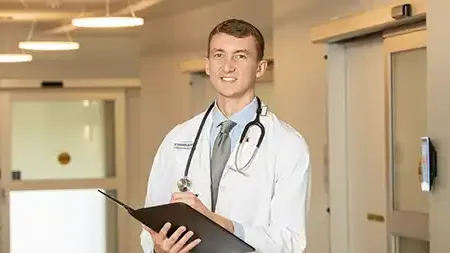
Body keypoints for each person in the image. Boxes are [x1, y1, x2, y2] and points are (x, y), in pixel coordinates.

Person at [140, 18, 310, 253]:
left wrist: (224, 226)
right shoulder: (178, 138)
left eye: (240, 56)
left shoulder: (287, 143)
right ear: (208, 65)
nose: (227, 66)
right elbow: (150, 222)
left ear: (260, 68)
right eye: (219, 55)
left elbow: (290, 240)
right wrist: (159, 248)